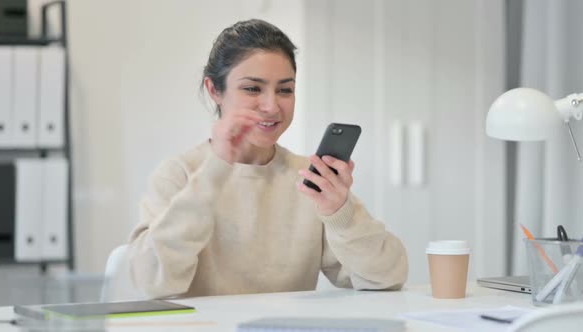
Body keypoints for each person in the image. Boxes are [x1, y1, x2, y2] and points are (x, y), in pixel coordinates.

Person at [128, 19, 408, 299]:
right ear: (215, 90)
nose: (272, 106)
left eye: (285, 90)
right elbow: (154, 283)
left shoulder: (308, 179)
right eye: (252, 88)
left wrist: (340, 214)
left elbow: (387, 277)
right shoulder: (179, 174)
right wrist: (216, 170)